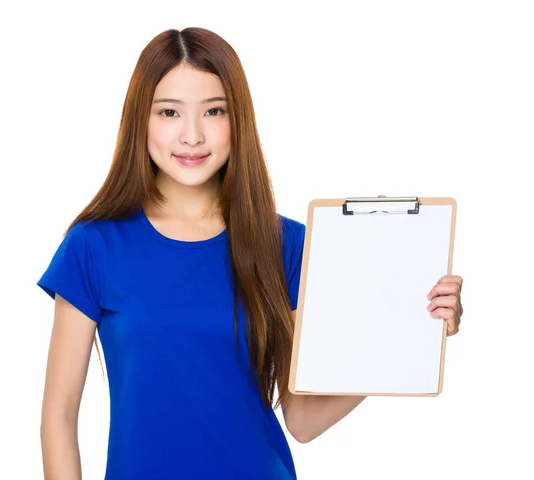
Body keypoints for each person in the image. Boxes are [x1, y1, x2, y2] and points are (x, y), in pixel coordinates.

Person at [36, 27, 464, 480]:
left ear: (237, 118)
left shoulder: (288, 245)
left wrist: (413, 330)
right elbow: (59, 418)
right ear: (140, 119)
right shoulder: (94, 246)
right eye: (169, 112)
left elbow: (302, 418)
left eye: (213, 111)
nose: (192, 135)